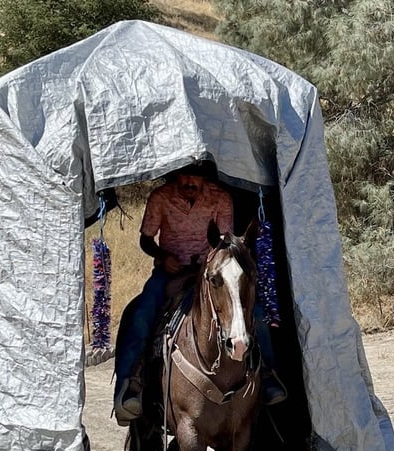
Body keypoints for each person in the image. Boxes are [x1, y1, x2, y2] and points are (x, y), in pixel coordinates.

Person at [113, 164, 287, 425]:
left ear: (205, 178)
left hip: (211, 272)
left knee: (256, 312)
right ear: (175, 176)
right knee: (141, 311)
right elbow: (146, 240)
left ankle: (267, 374)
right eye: (184, 175)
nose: (189, 181)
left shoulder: (220, 198)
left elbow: (225, 243)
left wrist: (211, 267)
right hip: (170, 272)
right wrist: (163, 256)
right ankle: (130, 385)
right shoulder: (160, 197)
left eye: (195, 176)